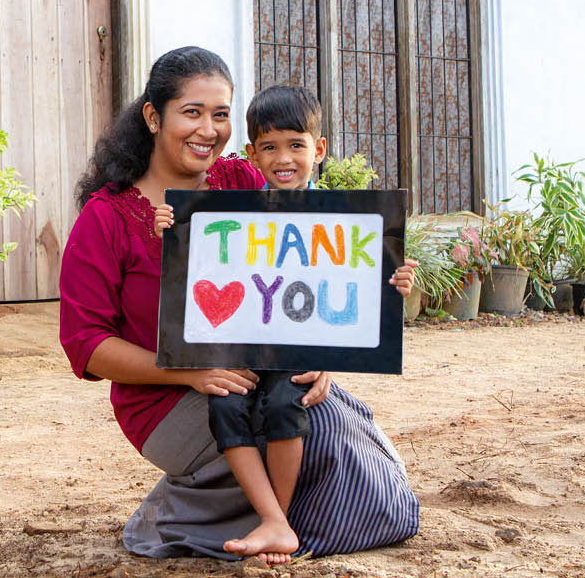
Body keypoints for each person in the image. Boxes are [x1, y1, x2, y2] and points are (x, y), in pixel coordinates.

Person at [59, 45, 420, 565]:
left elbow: (306, 274)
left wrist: (324, 353)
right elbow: (86, 345)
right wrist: (189, 371)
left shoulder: (242, 181)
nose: (208, 130)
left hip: (260, 374)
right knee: (312, 439)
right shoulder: (106, 217)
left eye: (221, 114)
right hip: (165, 399)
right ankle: (184, 514)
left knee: (317, 418)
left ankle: (276, 518)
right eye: (192, 112)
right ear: (154, 117)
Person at [150, 83, 418, 563]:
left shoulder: (344, 220)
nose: (284, 159)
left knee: (282, 405)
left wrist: (394, 281)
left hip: (299, 353)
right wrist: (173, 229)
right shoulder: (237, 213)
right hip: (245, 349)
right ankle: (271, 517)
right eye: (269, 147)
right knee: (226, 408)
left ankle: (282, 519)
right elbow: (200, 267)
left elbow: (356, 290)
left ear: (319, 149)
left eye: (296, 145)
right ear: (252, 154)